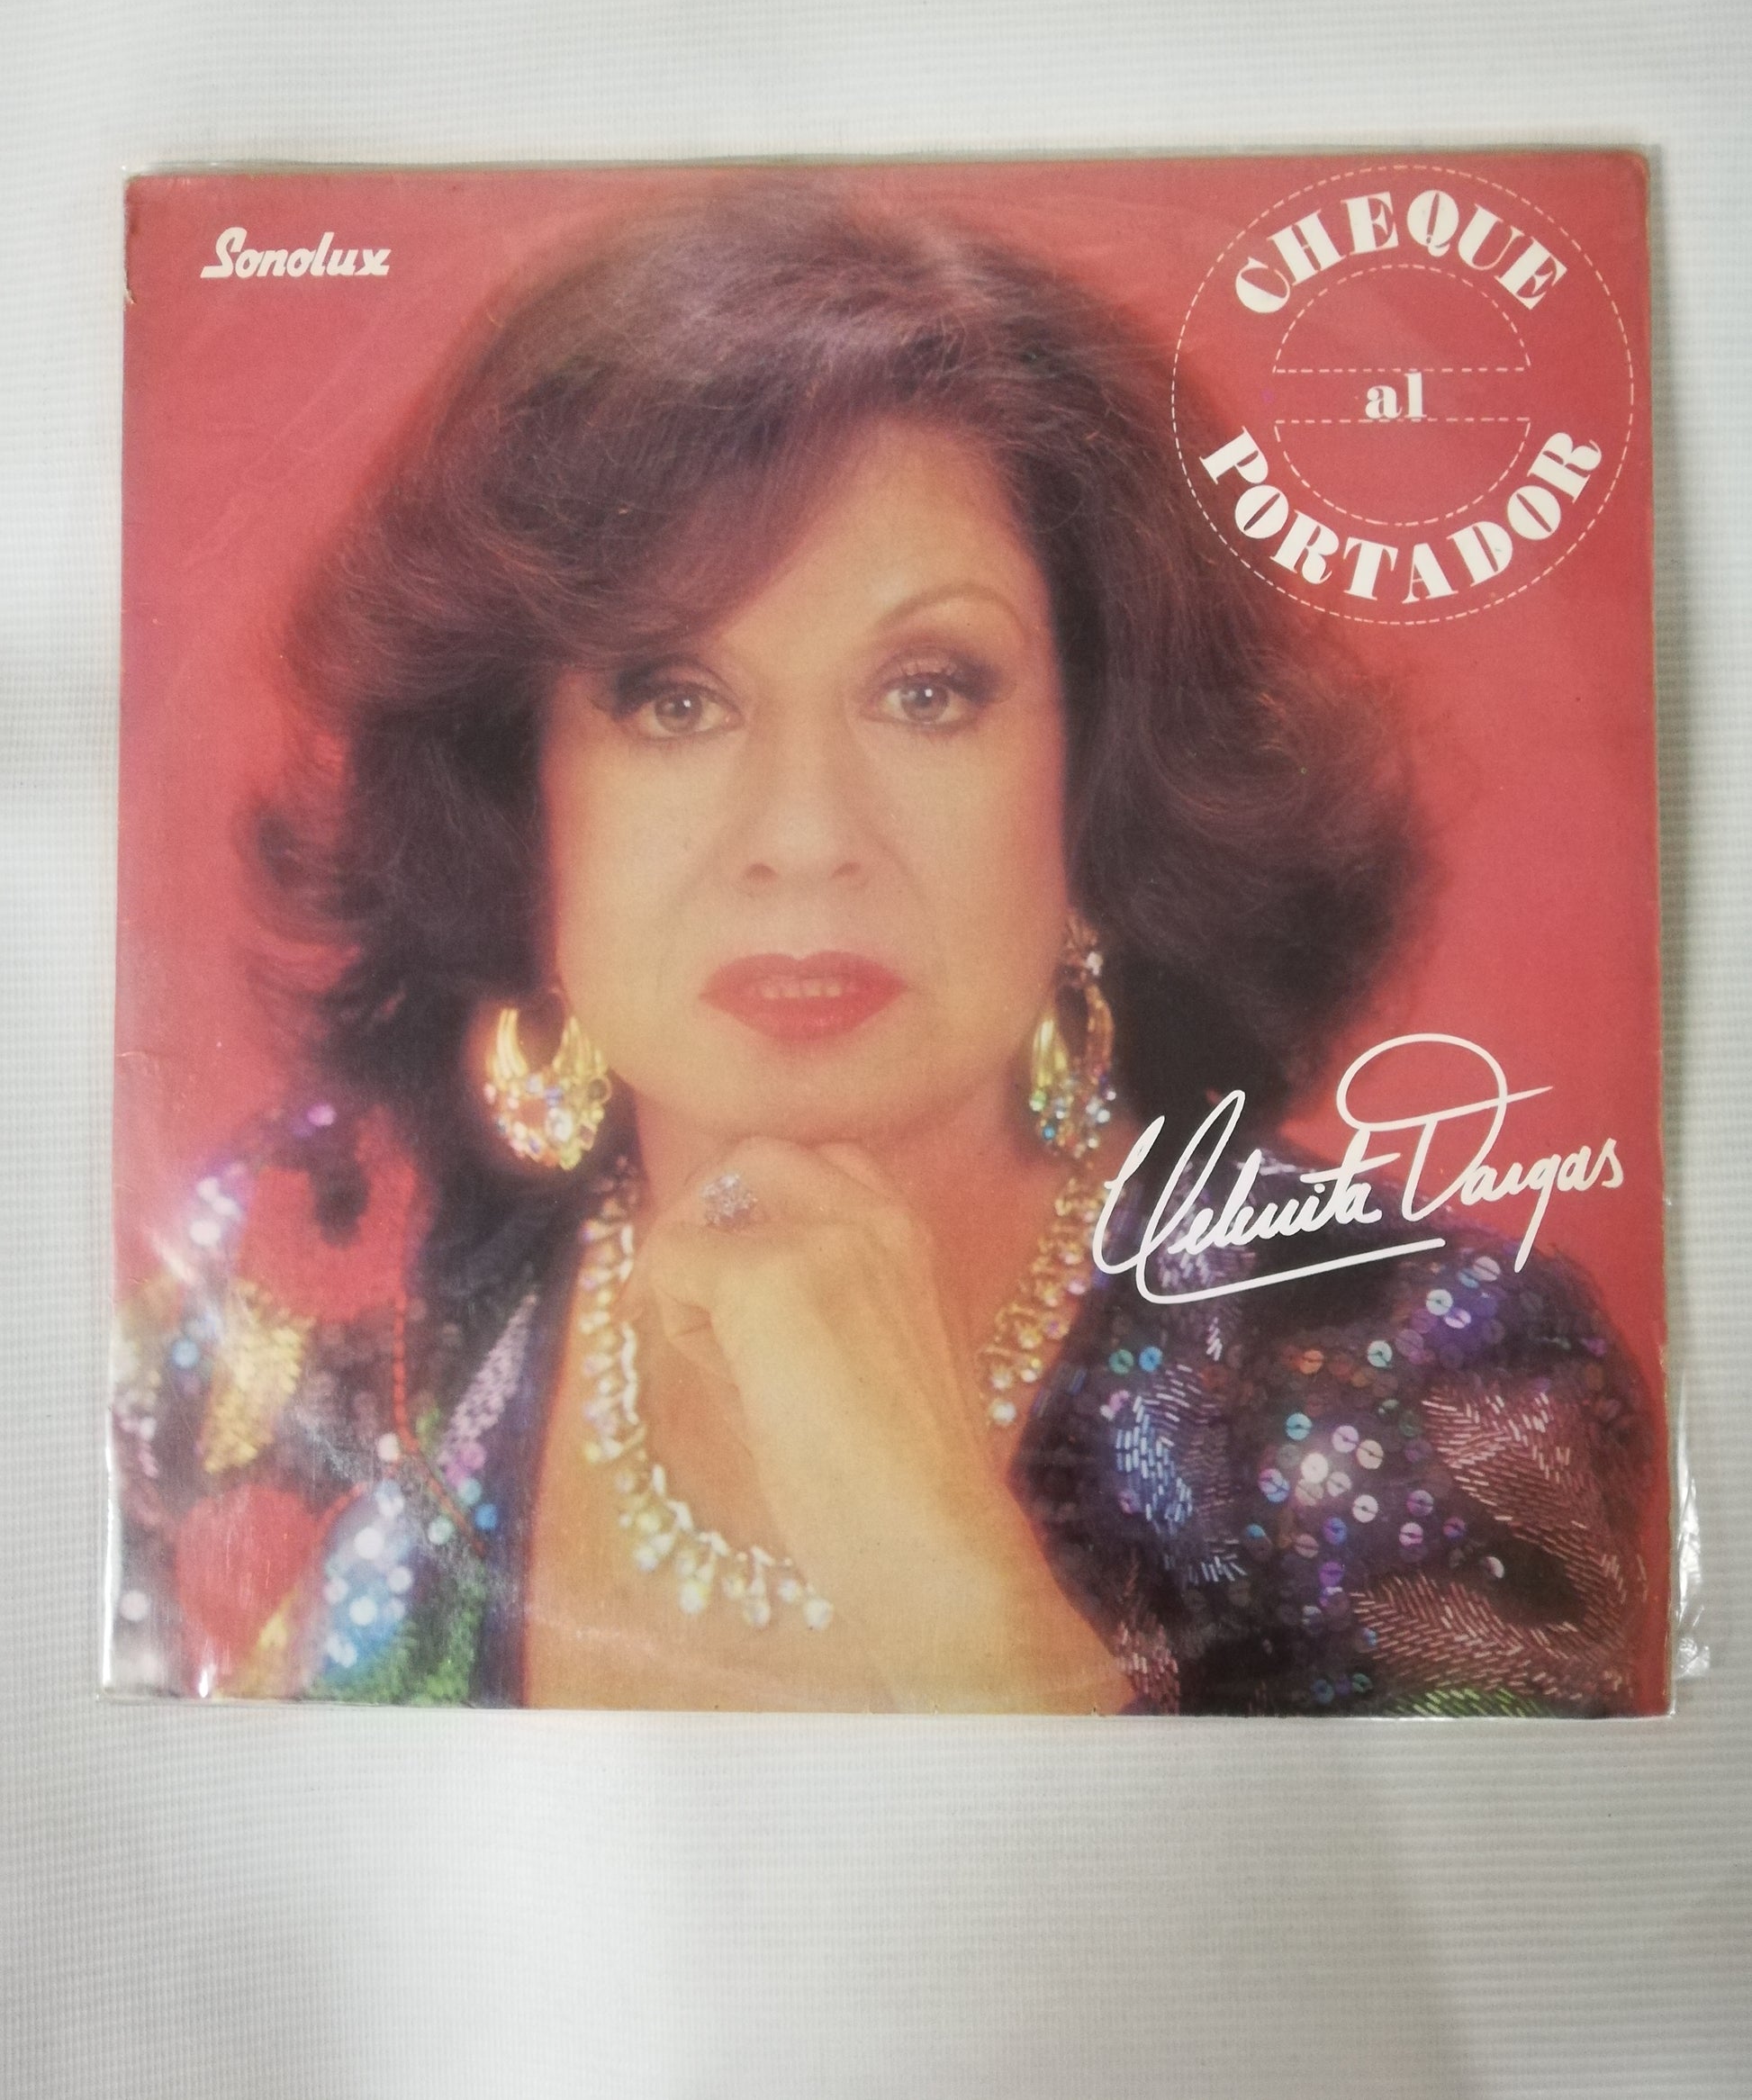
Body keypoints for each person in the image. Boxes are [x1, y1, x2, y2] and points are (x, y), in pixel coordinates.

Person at [108, 184, 1657, 1713]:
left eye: (927, 691)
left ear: (1097, 782)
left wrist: (941, 1564)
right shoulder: (295, 1277)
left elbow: (1368, 1899)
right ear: (521, 789)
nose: (803, 835)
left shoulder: (1438, 1387)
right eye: (672, 699)